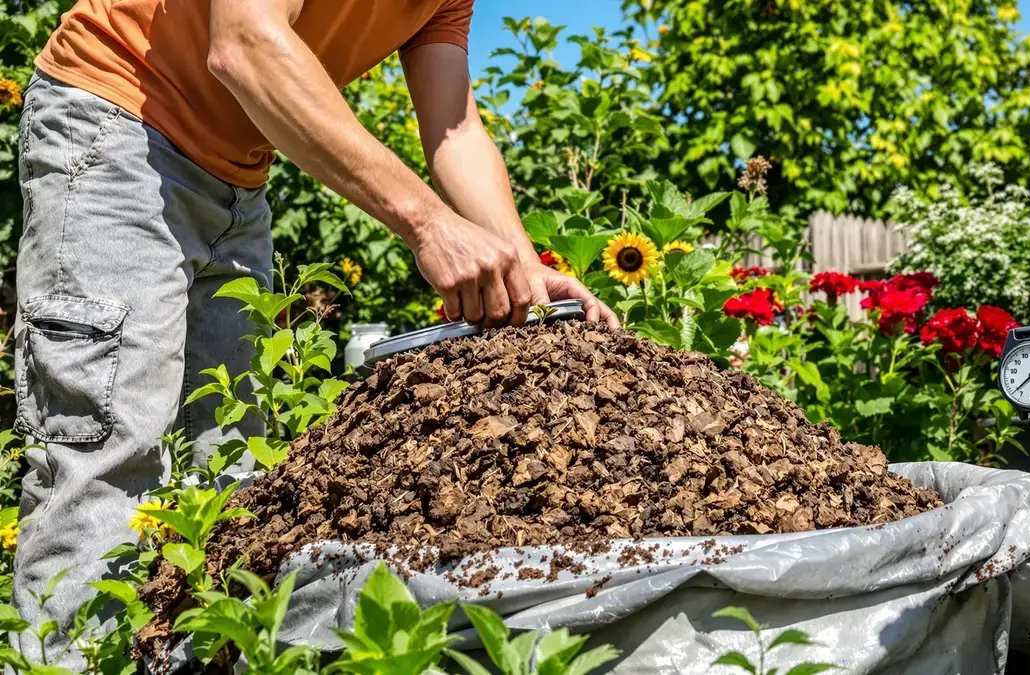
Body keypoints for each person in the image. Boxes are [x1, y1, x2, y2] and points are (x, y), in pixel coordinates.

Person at [12, 0, 618, 666]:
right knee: (109, 452)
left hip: (237, 181)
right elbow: (244, 45)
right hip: (115, 122)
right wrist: (427, 223)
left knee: (227, 472)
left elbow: (454, 127)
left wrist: (526, 271)